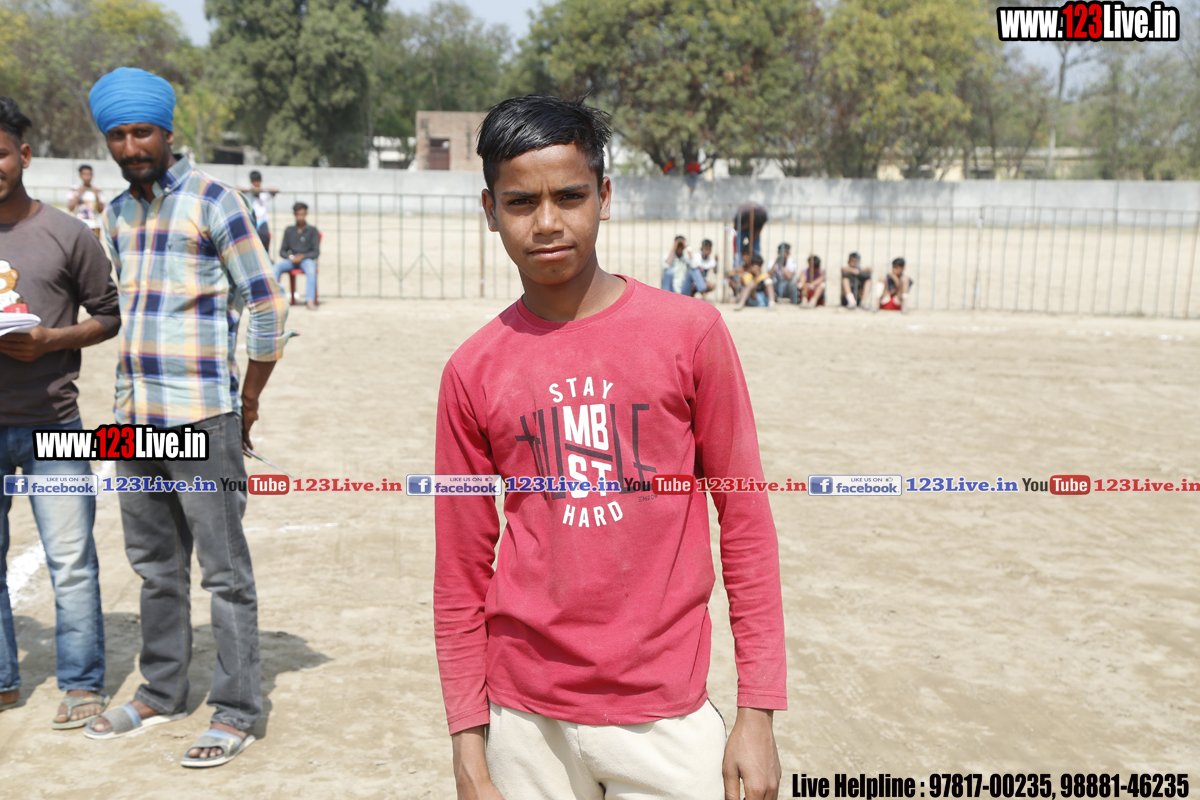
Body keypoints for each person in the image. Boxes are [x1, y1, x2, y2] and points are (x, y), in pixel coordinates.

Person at [436, 95, 786, 800]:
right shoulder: (472, 371)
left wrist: (757, 711)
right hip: (524, 720)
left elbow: (745, 521)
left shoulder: (690, 334)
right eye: (520, 202)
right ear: (489, 210)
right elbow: (460, 571)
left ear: (604, 194)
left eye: (569, 196)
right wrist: (469, 746)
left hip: (666, 717)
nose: (547, 223)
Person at [81, 68, 292, 769]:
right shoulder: (116, 214)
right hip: (131, 418)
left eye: (142, 132)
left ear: (168, 131)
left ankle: (236, 710)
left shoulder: (215, 201)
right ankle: (162, 691)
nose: (130, 146)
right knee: (154, 568)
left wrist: (248, 400)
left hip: (204, 417)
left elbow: (266, 304)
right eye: (117, 135)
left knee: (224, 573)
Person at [0, 98, 118, 731]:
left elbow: (108, 316)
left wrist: (50, 341)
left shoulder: (69, 234)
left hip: (55, 426)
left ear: (23, 155)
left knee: (71, 562)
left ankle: (81, 682)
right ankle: (3, 679)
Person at [272, 202, 320, 310]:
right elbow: (282, 251)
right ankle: (273, 299)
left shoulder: (312, 230)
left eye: (302, 214)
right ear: (294, 215)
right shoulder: (289, 230)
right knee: (276, 268)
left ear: (306, 214)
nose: (300, 217)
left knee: (311, 270)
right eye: (298, 214)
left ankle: (309, 301)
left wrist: (303, 256)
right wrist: (290, 257)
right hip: (291, 261)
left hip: (307, 260)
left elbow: (316, 252)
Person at [238, 170, 277, 253]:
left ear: (260, 181)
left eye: (257, 181)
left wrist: (260, 189)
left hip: (262, 221)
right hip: (251, 220)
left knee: (264, 240)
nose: (256, 183)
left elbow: (276, 189)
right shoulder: (248, 194)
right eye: (254, 181)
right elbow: (235, 188)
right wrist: (250, 190)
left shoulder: (264, 194)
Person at [65, 164, 105, 238]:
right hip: (80, 224)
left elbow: (101, 210)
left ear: (92, 176)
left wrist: (96, 195)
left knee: (94, 244)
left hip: (94, 225)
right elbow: (70, 208)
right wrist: (79, 194)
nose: (87, 177)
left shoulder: (97, 190)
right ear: (80, 176)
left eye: (89, 174)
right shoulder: (75, 189)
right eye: (85, 174)